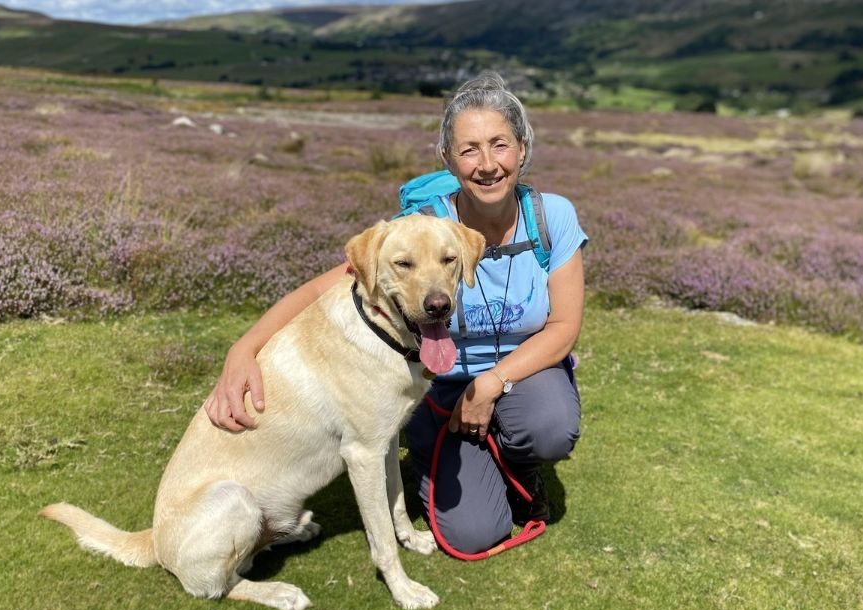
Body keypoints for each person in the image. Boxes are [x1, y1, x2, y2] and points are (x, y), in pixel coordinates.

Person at [203, 71, 586, 555]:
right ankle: (430, 450)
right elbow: (325, 288)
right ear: (447, 158)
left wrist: (490, 384)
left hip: (522, 377)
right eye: (469, 149)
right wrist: (244, 348)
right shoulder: (425, 228)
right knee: (473, 534)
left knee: (548, 425)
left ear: (523, 148)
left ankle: (521, 468)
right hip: (438, 387)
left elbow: (563, 327)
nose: (487, 164)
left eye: (500, 145)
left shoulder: (552, 218)